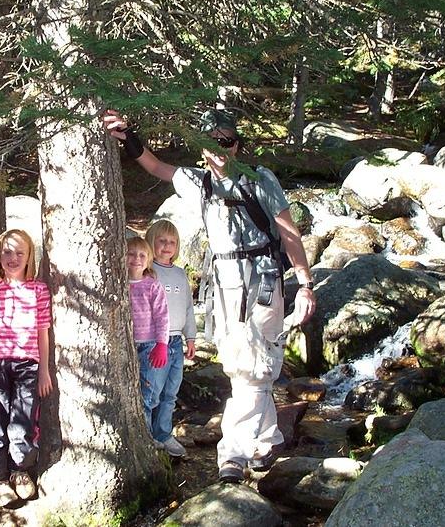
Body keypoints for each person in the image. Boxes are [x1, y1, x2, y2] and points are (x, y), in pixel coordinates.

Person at [104, 108, 316, 483]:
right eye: (211, 142)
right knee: (240, 366)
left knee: (253, 367)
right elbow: (155, 167)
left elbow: (289, 233)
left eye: (227, 141)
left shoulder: (260, 180)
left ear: (236, 145)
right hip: (222, 287)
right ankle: (269, 438)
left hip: (261, 283)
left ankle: (232, 455)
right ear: (202, 147)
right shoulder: (196, 181)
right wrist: (129, 134)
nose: (219, 149)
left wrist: (305, 283)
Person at [0, 229, 52, 507]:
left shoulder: (39, 290)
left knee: (23, 421)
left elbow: (43, 332)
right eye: (7, 252)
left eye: (20, 252)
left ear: (30, 256)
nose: (13, 258)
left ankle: (21, 471)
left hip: (28, 365)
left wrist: (44, 370)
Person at [144, 219, 197, 457]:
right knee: (151, 391)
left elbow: (188, 308)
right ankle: (146, 435)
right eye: (162, 241)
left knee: (170, 392)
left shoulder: (179, 274)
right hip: (155, 341)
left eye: (172, 242)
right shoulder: (148, 273)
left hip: (176, 341)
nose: (167, 246)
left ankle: (163, 433)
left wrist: (191, 338)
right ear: (151, 242)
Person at [126, 236, 170, 440]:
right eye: (131, 254)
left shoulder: (152, 286)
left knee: (147, 392)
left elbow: (162, 316)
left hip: (148, 346)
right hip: (125, 344)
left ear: (149, 260)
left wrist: (162, 344)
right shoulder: (119, 284)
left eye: (142, 255)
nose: (136, 259)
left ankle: (146, 437)